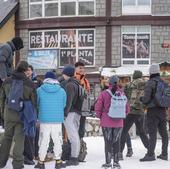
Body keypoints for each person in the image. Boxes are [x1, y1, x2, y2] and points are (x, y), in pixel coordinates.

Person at [0, 61, 36, 169]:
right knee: (20, 139)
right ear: (25, 70)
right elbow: (34, 102)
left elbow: (2, 99)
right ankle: (17, 164)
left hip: (8, 113)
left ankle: (1, 162)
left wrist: (3, 113)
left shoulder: (7, 81)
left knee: (7, 138)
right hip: (22, 114)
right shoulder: (30, 83)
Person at [95, 76, 130, 169]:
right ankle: (116, 162)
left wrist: (99, 116)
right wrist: (122, 116)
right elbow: (127, 109)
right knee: (116, 141)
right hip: (119, 122)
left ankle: (107, 162)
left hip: (106, 121)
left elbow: (98, 106)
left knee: (108, 142)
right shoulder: (122, 93)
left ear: (109, 83)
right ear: (117, 83)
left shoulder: (104, 93)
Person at [34, 71, 66, 169]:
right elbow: (64, 105)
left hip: (44, 119)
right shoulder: (62, 91)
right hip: (57, 119)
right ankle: (58, 161)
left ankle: (41, 162)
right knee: (57, 140)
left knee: (44, 140)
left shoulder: (39, 90)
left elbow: (37, 104)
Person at [140, 64, 169, 161]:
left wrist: (142, 99)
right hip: (162, 110)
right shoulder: (164, 82)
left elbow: (146, 99)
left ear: (151, 72)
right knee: (164, 133)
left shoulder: (150, 83)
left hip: (152, 111)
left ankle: (150, 154)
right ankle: (164, 154)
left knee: (152, 133)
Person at [119, 71, 149, 160]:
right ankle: (150, 151)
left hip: (130, 112)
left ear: (134, 76)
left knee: (124, 131)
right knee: (142, 132)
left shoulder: (129, 85)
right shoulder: (146, 84)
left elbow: (125, 97)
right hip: (141, 112)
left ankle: (119, 152)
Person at [62, 65, 84, 166]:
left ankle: (74, 157)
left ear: (66, 74)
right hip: (77, 112)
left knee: (73, 135)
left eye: (63, 73)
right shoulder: (77, 84)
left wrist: (65, 113)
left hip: (71, 112)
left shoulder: (70, 85)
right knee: (75, 135)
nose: (62, 75)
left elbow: (68, 101)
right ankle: (74, 155)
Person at [0, 37, 24, 126]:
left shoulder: (9, 49)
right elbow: (1, 62)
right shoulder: (6, 48)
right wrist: (4, 78)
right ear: (17, 45)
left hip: (6, 79)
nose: (18, 50)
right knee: (3, 99)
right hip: (2, 80)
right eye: (19, 48)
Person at [75, 61, 90, 140]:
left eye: (83, 68)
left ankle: (80, 145)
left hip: (83, 109)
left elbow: (87, 94)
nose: (82, 70)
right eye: (80, 68)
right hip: (74, 109)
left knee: (81, 130)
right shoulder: (73, 79)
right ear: (75, 69)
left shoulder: (86, 81)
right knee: (74, 129)